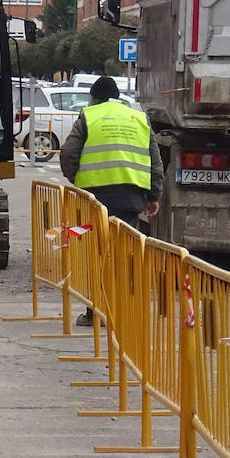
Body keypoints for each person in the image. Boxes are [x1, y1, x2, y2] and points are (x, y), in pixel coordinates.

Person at [59, 75, 164, 327]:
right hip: (130, 198)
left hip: (95, 199)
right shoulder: (138, 118)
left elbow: (68, 153)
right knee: (125, 256)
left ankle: (96, 314)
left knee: (97, 256)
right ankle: (124, 313)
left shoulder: (90, 115)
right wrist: (153, 195)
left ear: (94, 97)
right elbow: (154, 159)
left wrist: (76, 178)